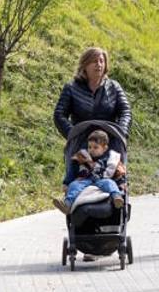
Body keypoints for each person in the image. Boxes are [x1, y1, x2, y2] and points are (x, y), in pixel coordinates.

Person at [54, 47, 133, 257]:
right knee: (80, 183)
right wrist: (73, 133)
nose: (99, 64)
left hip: (109, 145)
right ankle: (82, 233)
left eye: (102, 61)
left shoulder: (113, 88)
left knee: (111, 183)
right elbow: (59, 114)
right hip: (83, 144)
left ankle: (112, 227)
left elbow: (125, 111)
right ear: (85, 65)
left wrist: (121, 132)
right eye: (94, 61)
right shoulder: (71, 88)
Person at [52, 129, 126, 213]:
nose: (91, 150)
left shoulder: (110, 158)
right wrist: (66, 182)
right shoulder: (82, 156)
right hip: (84, 179)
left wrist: (121, 183)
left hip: (102, 179)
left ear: (105, 148)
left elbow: (119, 172)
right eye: (89, 147)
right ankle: (67, 205)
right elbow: (72, 170)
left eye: (95, 147)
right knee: (74, 185)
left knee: (110, 183)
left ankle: (116, 198)